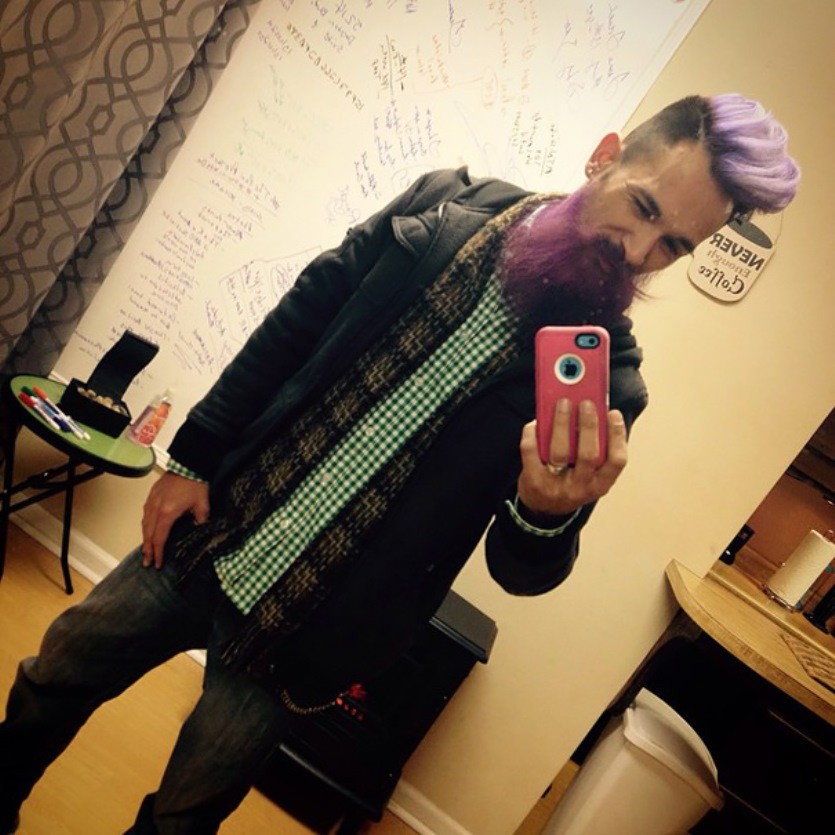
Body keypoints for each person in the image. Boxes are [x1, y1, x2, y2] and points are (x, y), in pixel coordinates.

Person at [0, 93, 799, 834]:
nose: (637, 251)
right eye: (644, 207)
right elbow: (300, 317)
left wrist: (545, 513)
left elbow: (520, 569)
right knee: (52, 679)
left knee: (186, 814)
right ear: (605, 156)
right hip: (216, 525)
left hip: (310, 630)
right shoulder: (443, 207)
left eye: (672, 245)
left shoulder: (607, 387)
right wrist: (192, 457)